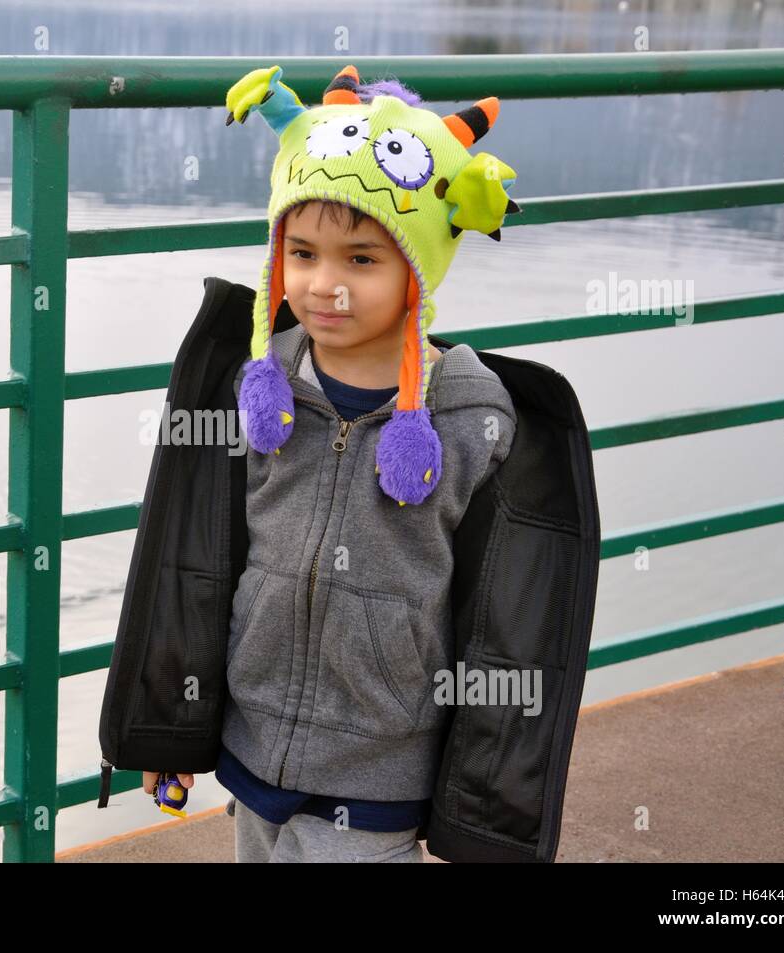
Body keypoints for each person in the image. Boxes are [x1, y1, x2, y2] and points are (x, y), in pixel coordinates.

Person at [142, 63, 522, 861]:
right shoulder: (260, 386)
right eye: (303, 252)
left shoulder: (468, 415)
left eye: (361, 260)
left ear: (418, 270)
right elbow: (200, 564)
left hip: (382, 763)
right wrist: (172, 720)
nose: (322, 286)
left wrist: (485, 789)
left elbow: (503, 614)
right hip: (253, 739)